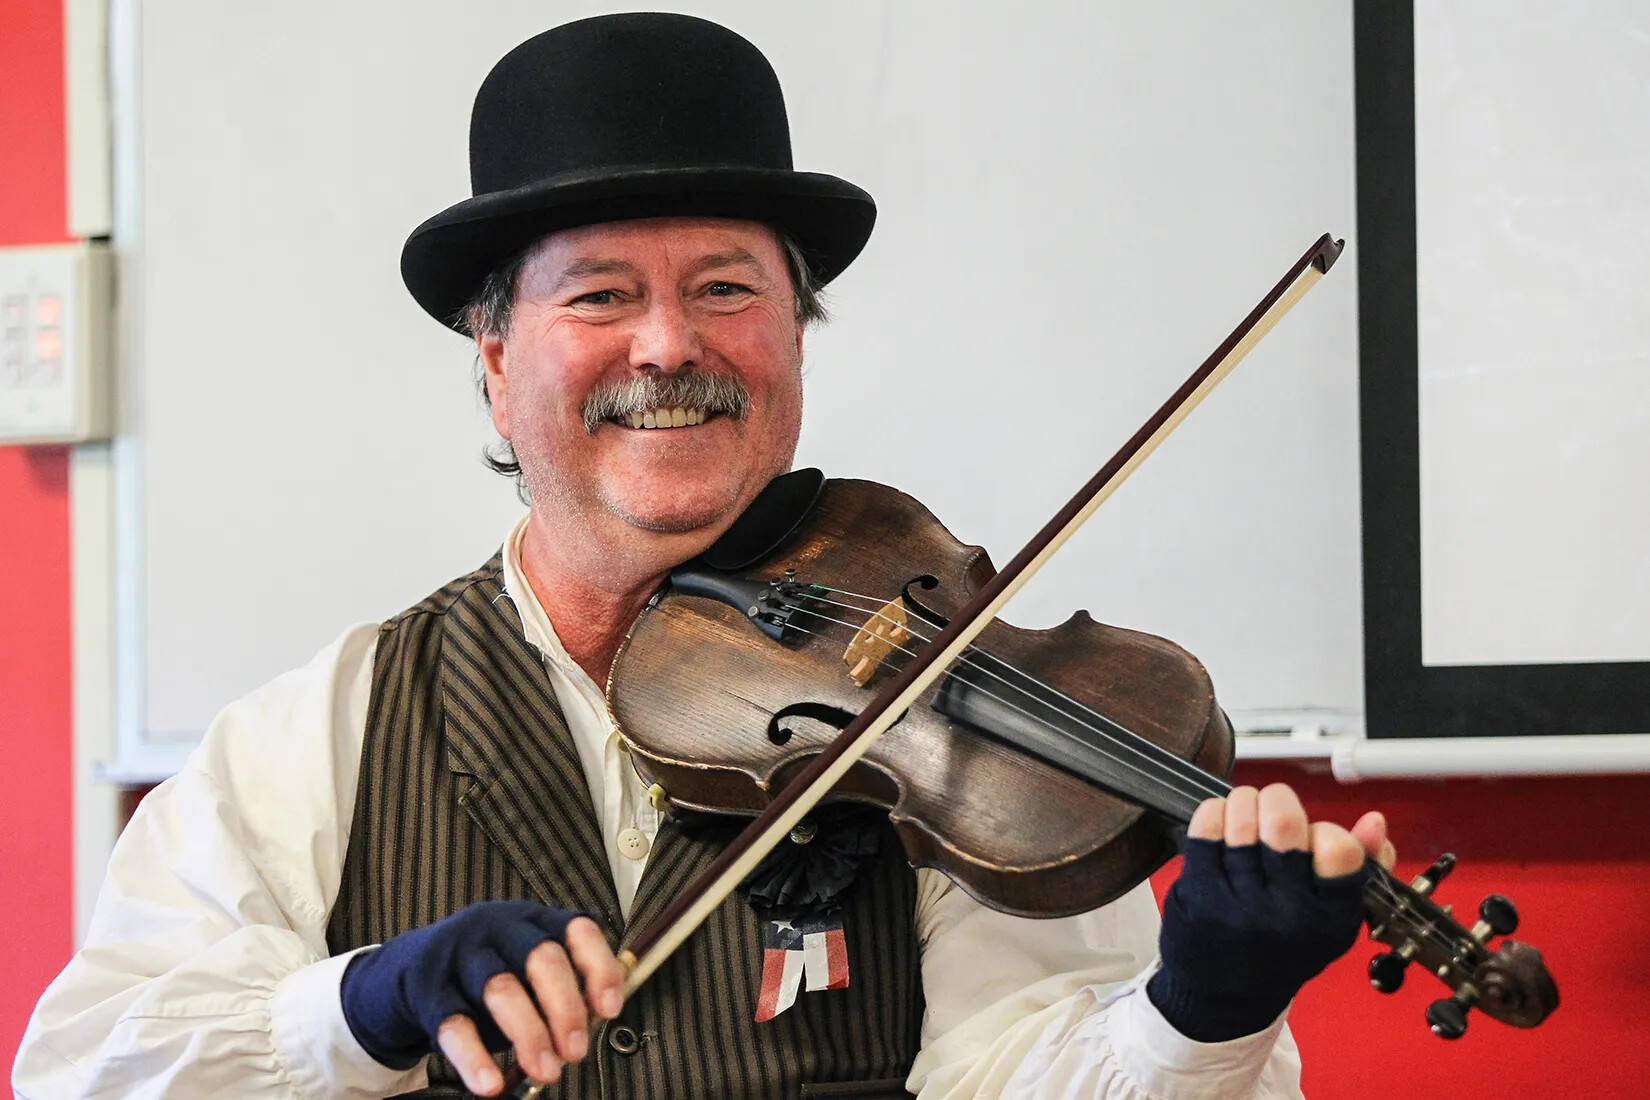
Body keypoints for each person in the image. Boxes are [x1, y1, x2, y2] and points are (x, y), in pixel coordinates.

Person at [13, 14, 1395, 1100]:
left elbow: (1015, 1075)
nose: (669, 347)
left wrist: (1197, 1015)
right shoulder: (318, 730)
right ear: (498, 365)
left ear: (793, 338)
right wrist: (363, 1003)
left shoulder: (947, 711)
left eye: (726, 289)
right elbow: (86, 1072)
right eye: (600, 295)